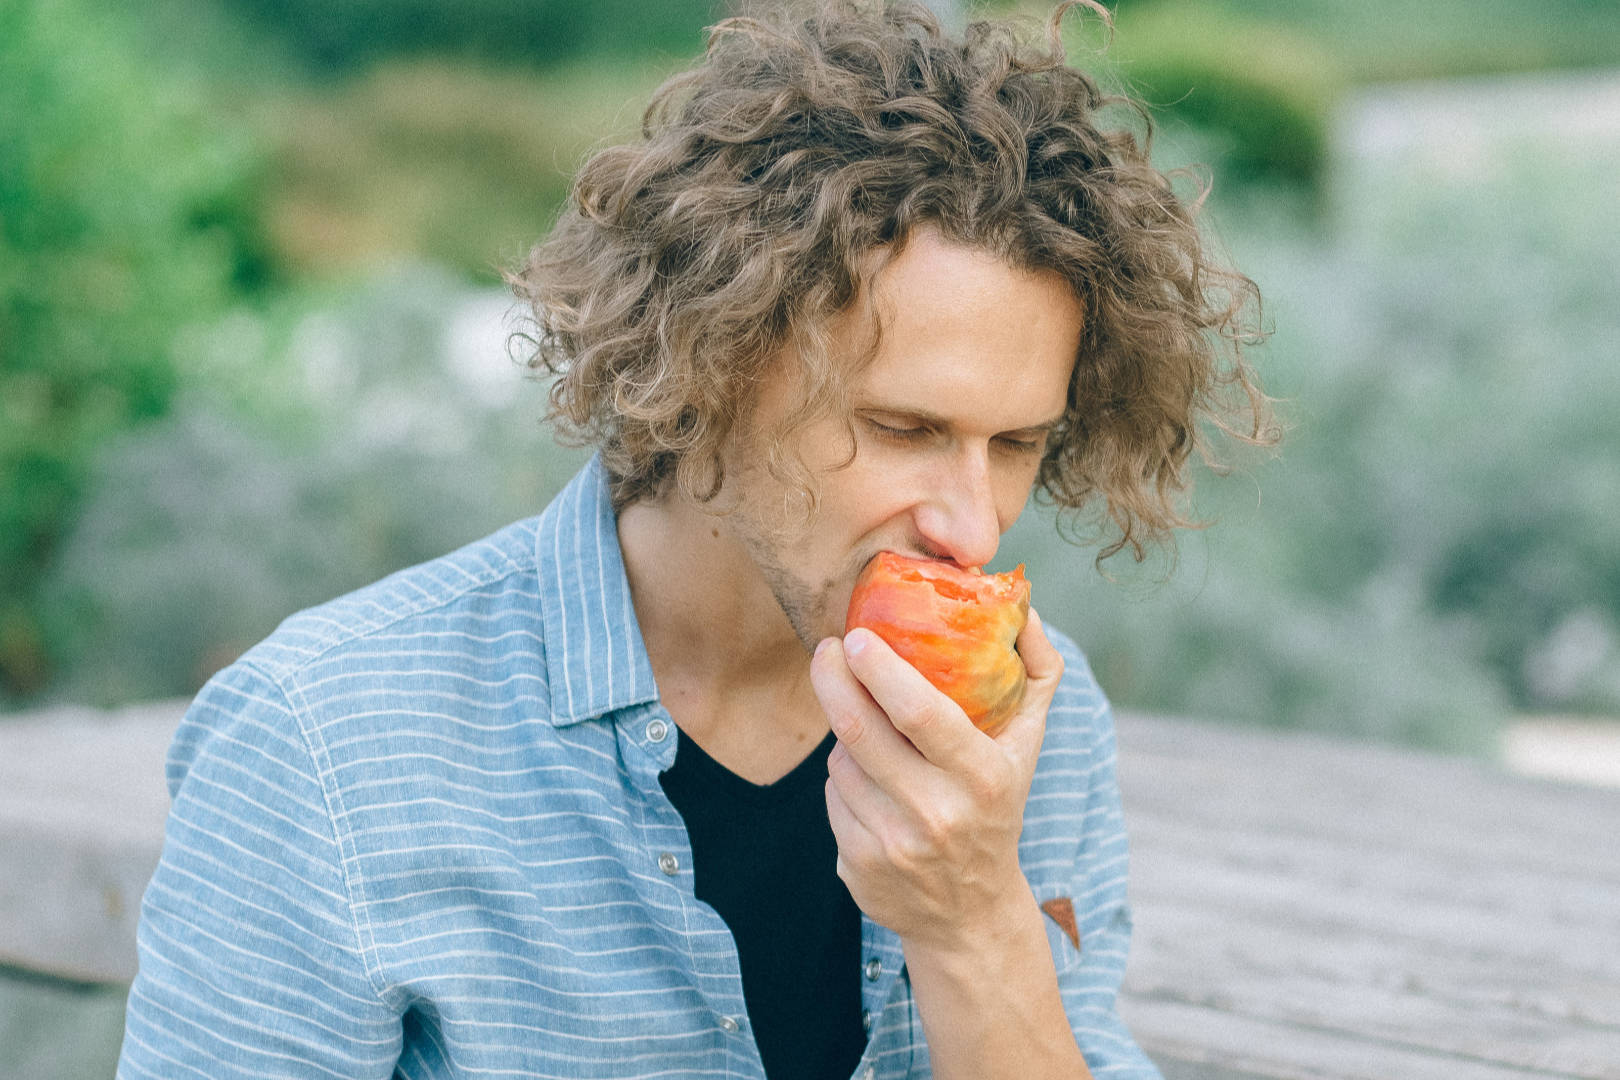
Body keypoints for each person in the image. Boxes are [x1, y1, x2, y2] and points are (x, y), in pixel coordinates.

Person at [118, 2, 1270, 1078]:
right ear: (712, 362)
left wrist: (976, 924)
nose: (971, 524)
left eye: (1017, 442)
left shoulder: (1026, 728)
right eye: (900, 428)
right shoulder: (322, 747)